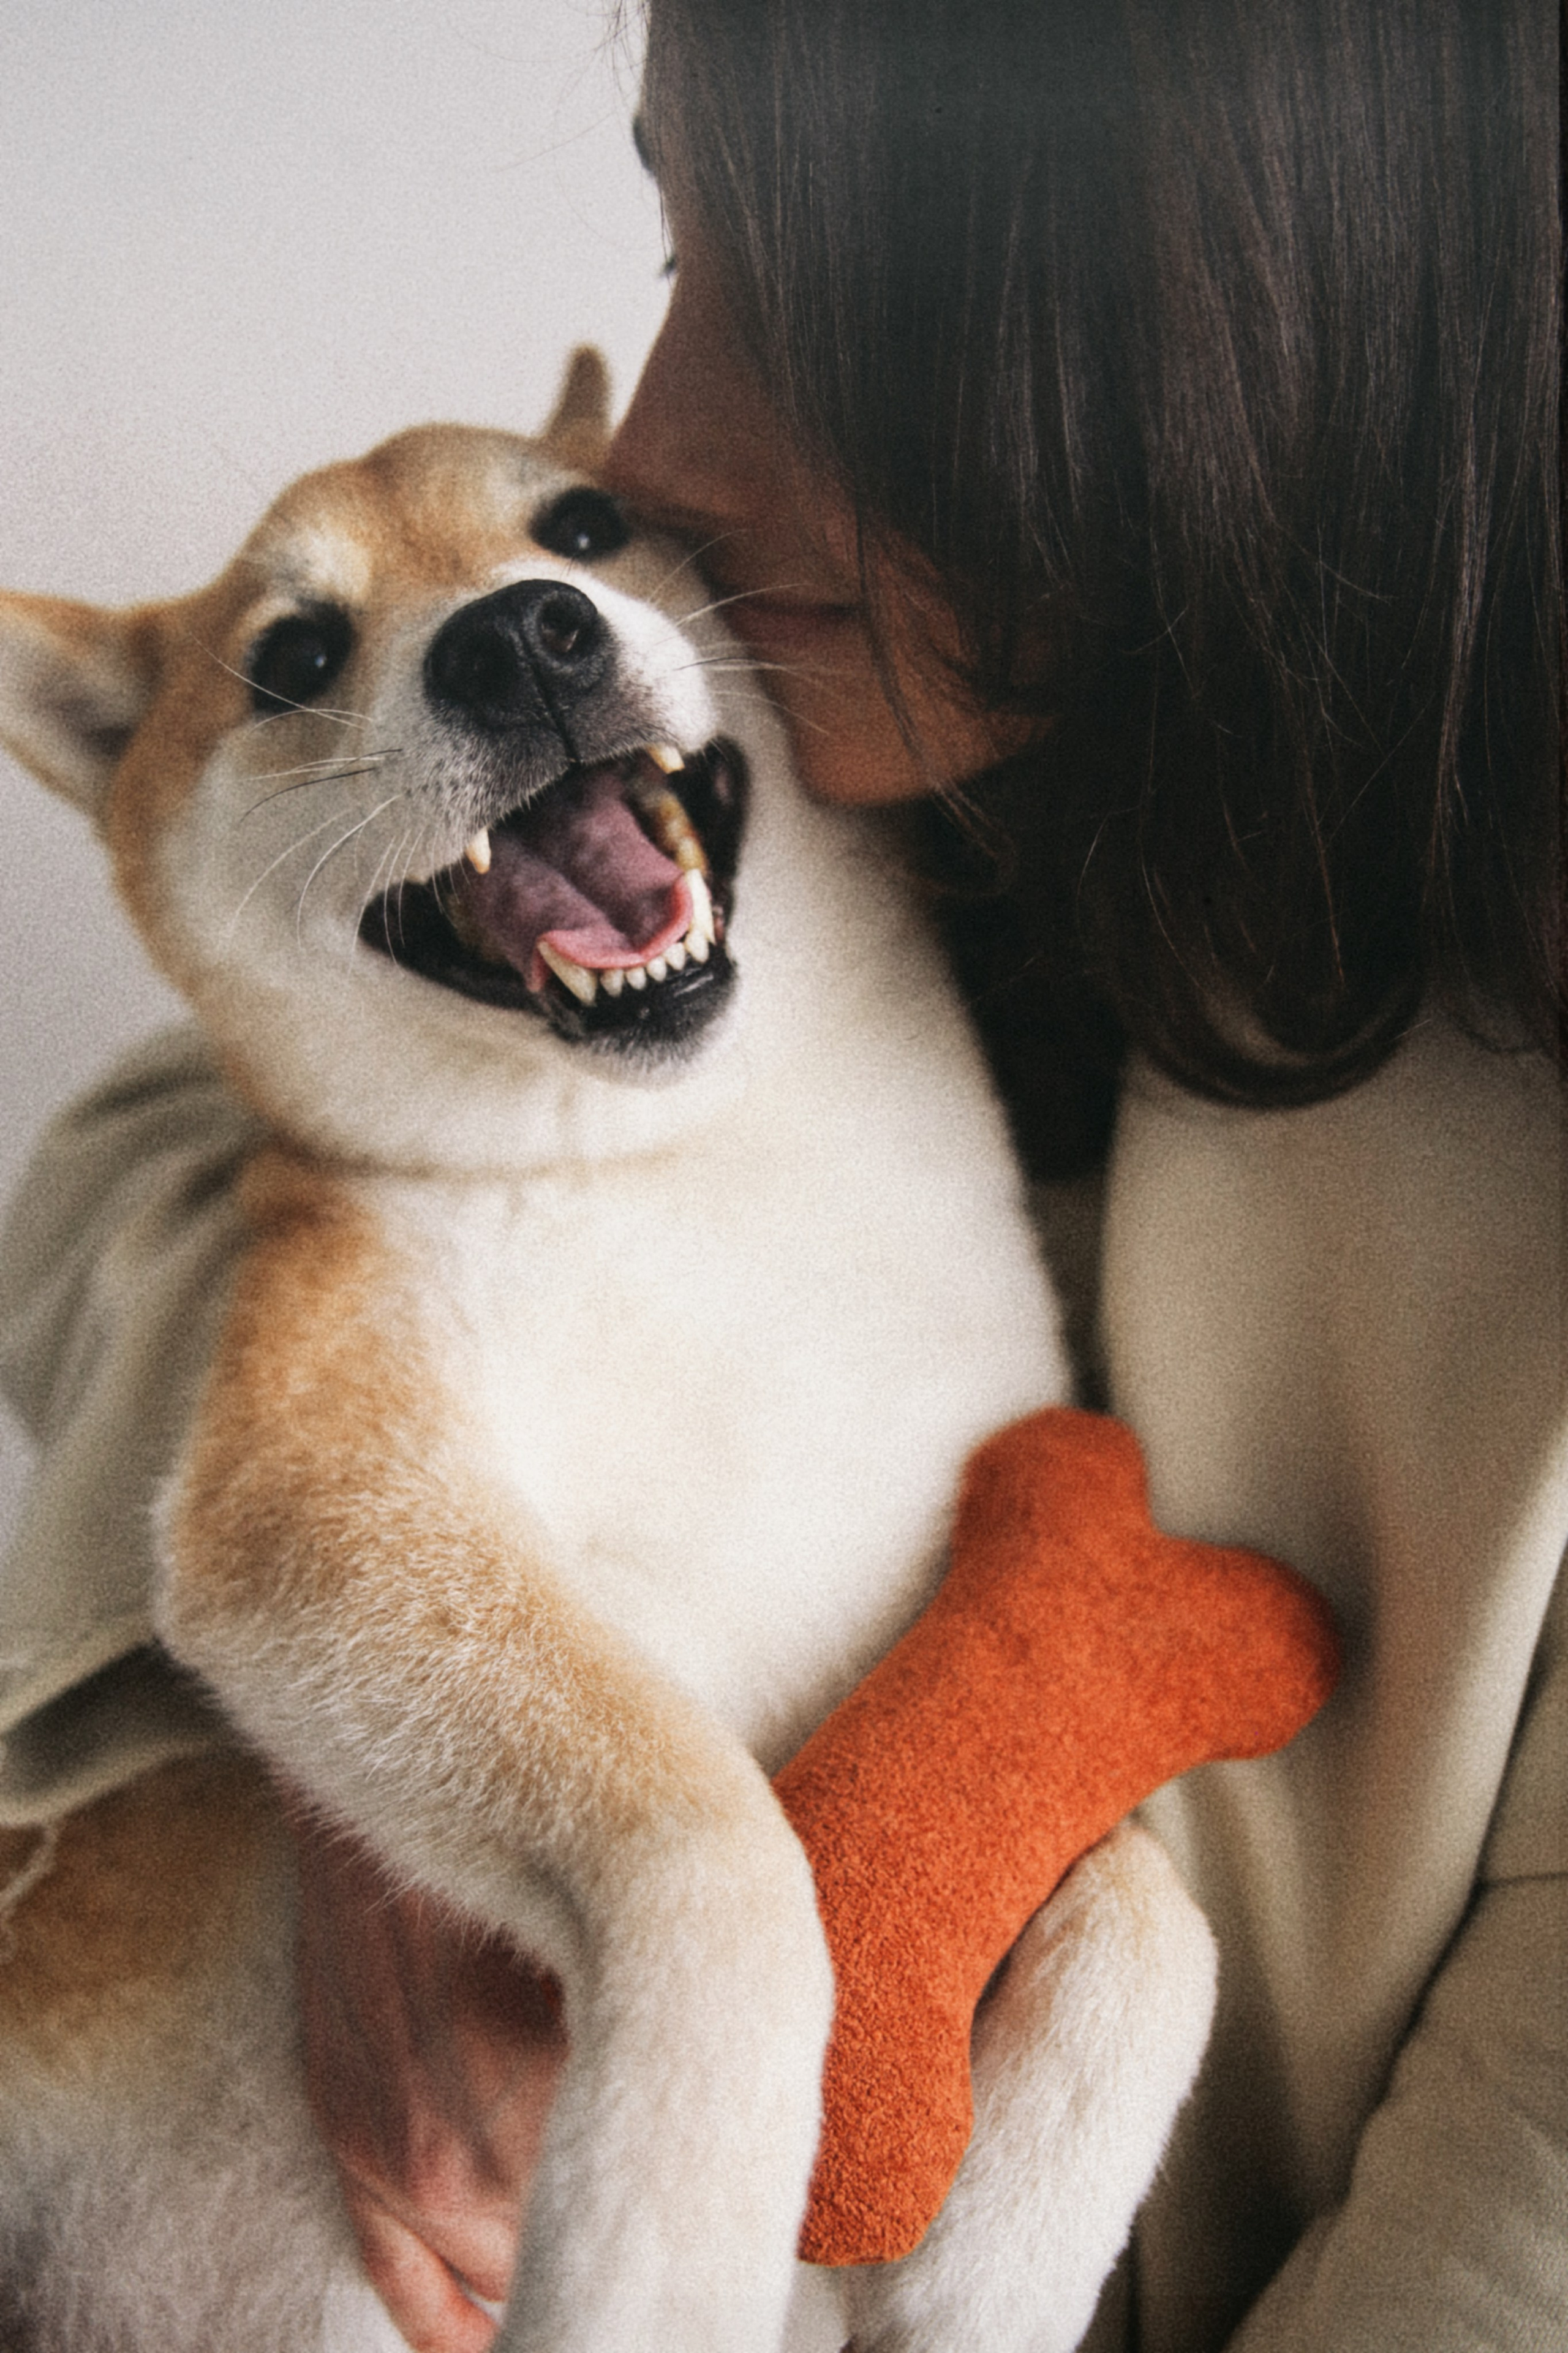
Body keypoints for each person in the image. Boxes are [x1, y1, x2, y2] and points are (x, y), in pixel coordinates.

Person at [0, 1, 1560, 2347]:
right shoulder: (821, 732)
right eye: (676, 220)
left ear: (1280, 341)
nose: (671, 438)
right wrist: (432, 1796)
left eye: (863, 299)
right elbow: (138, 1169)